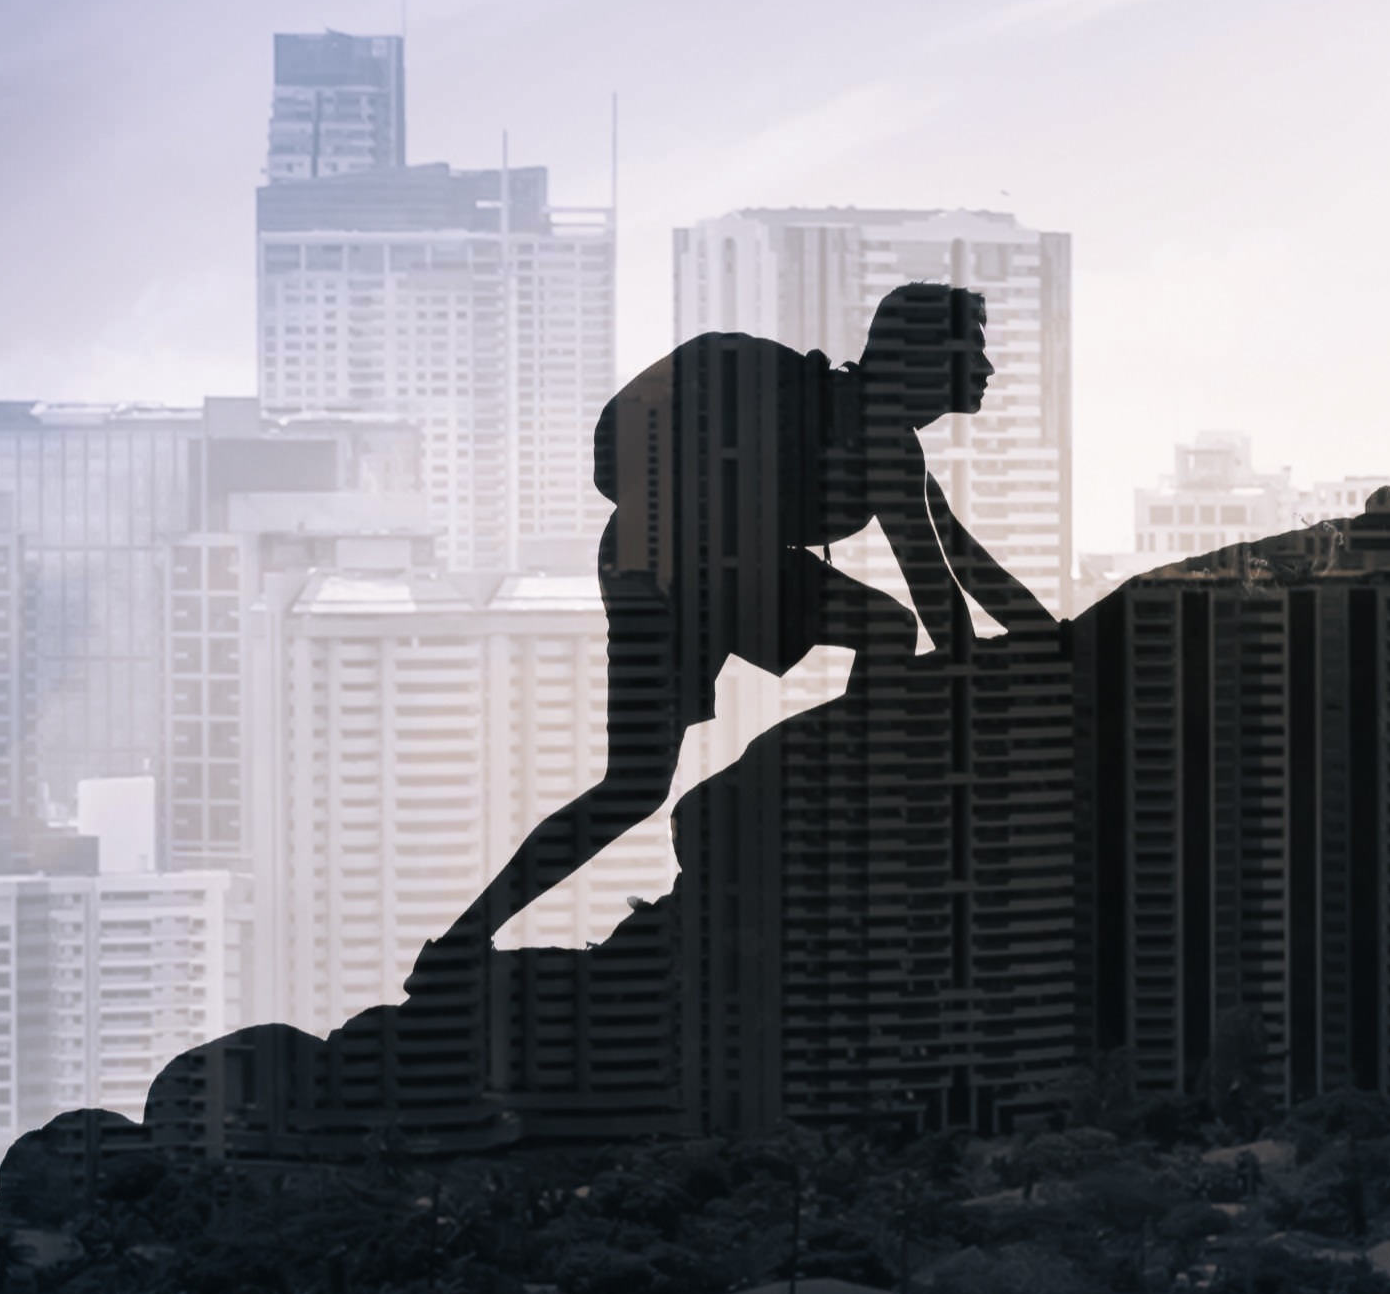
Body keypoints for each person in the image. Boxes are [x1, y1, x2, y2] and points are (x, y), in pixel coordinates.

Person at [421, 280, 1053, 959]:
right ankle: (853, 792)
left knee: (630, 787)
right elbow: (937, 590)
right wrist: (1018, 672)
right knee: (885, 629)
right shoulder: (878, 437)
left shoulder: (869, 428)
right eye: (975, 352)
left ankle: (458, 943)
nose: (987, 370)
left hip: (641, 558)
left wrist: (1053, 640)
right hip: (696, 567)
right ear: (925, 358)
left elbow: (969, 564)